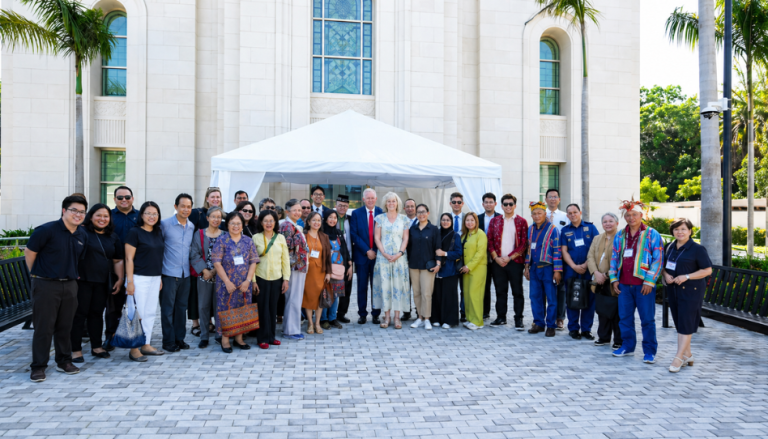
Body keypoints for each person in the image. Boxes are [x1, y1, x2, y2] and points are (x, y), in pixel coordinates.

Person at [25, 195, 89, 382]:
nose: (78, 215)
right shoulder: (46, 230)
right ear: (64, 211)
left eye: (82, 212)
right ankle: (38, 366)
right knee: (44, 327)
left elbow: (79, 259)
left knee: (65, 326)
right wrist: (36, 274)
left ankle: (64, 361)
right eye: (74, 210)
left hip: (69, 285)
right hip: (46, 285)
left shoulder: (81, 234)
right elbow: (30, 252)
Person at [609, 197, 663, 364]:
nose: (630, 218)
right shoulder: (620, 235)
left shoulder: (652, 234)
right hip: (624, 285)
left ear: (641, 215)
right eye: (627, 215)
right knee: (625, 318)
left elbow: (658, 259)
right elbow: (614, 257)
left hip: (643, 286)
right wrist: (613, 278)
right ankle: (628, 346)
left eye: (634, 214)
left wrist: (649, 281)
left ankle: (649, 351)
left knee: (647, 319)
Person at [70, 204, 124, 363]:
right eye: (98, 215)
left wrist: (120, 279)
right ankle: (75, 349)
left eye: (106, 216)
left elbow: (117, 260)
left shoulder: (112, 236)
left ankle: (96, 346)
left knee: (96, 314)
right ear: (91, 216)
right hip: (82, 281)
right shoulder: (81, 232)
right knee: (79, 315)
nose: (102, 219)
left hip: (102, 281)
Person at [662, 218, 712, 373]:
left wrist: (687, 276)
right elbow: (663, 265)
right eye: (676, 229)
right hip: (673, 289)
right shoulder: (670, 247)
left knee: (686, 322)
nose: (680, 232)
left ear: (690, 231)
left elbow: (707, 270)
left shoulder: (697, 249)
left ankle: (678, 357)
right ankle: (688, 355)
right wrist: (665, 275)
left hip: (692, 290)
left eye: (683, 229)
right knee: (679, 321)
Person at [212, 211, 259, 353]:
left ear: (242, 225)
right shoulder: (222, 240)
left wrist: (248, 281)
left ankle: (239, 338)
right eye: (232, 223)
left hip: (244, 283)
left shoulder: (248, 241)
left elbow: (253, 262)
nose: (236, 226)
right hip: (226, 284)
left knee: (242, 308)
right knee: (226, 309)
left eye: (238, 223)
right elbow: (216, 262)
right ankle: (225, 340)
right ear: (227, 225)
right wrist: (227, 281)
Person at [124, 201, 166, 362]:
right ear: (141, 215)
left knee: (149, 312)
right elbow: (129, 258)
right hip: (139, 278)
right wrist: (130, 281)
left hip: (155, 278)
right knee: (137, 313)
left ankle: (146, 344)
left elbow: (157, 257)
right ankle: (134, 348)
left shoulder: (158, 232)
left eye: (155, 214)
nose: (152, 216)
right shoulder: (134, 232)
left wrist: (159, 277)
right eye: (148, 213)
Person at [104, 186, 139, 352]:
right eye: (120, 198)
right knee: (113, 305)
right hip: (114, 268)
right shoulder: (108, 217)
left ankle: (135, 337)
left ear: (133, 198)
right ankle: (110, 336)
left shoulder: (141, 216)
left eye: (127, 197)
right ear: (114, 199)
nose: (123, 200)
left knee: (136, 304)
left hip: (138, 268)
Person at [487, 194, 528, 330]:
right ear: (502, 206)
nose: (508, 206)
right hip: (498, 262)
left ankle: (518, 319)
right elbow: (490, 241)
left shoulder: (522, 222)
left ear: (515, 206)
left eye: (511, 204)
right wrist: (496, 258)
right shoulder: (495, 221)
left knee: (517, 291)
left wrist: (509, 257)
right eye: (505, 204)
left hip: (515, 262)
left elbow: (523, 244)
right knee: (500, 291)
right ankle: (501, 317)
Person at [159, 193, 195, 353]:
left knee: (181, 308)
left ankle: (179, 339)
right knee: (167, 310)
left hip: (185, 275)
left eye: (189, 206)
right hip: (168, 274)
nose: (186, 209)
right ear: (176, 207)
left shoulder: (191, 226)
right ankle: (168, 341)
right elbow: (157, 248)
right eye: (183, 206)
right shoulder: (164, 224)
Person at [187, 187, 224, 335]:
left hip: (219, 271)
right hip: (201, 267)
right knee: (200, 300)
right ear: (207, 198)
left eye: (218, 197)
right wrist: (204, 270)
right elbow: (194, 248)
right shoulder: (198, 213)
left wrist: (215, 270)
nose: (215, 199)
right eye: (212, 196)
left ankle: (216, 327)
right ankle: (199, 327)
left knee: (217, 302)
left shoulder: (223, 219)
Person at [561, 204, 600, 340]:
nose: (573, 215)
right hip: (571, 271)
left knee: (589, 299)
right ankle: (573, 329)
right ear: (567, 215)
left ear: (580, 212)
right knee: (573, 299)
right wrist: (573, 266)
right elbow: (564, 251)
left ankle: (586, 329)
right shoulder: (565, 230)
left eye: (575, 212)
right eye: (570, 213)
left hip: (588, 270)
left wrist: (585, 264)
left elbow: (596, 248)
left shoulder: (591, 228)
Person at [372, 192, 411, 329]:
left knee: (398, 287)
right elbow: (377, 238)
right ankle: (387, 317)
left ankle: (397, 317)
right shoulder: (380, 218)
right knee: (385, 287)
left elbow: (405, 238)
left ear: (397, 203)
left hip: (399, 259)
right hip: (384, 259)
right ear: (385, 203)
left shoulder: (404, 219)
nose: (391, 203)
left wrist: (400, 253)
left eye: (393, 201)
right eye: (388, 201)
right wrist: (384, 253)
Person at [252, 210, 290, 349]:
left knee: (273, 308)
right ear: (261, 222)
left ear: (275, 222)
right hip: (261, 278)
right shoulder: (255, 238)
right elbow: (252, 262)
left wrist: (286, 279)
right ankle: (262, 338)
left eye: (271, 221)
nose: (269, 223)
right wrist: (253, 280)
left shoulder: (280, 238)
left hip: (277, 278)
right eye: (265, 221)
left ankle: (271, 337)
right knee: (262, 309)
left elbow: (285, 260)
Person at [524, 201, 562, 337]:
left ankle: (551, 325)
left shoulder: (553, 229)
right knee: (535, 297)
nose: (537, 216)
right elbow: (528, 249)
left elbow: (557, 251)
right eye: (534, 213)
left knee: (551, 298)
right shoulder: (531, 229)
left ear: (545, 214)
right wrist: (526, 266)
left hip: (548, 269)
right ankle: (539, 323)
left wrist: (557, 271)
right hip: (534, 268)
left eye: (539, 213)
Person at [587, 212, 622, 349]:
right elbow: (590, 257)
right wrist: (596, 273)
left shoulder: (621, 238)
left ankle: (618, 340)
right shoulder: (597, 238)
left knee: (616, 312)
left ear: (617, 223)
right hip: (598, 280)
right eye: (605, 221)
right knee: (602, 310)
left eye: (610, 221)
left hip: (614, 280)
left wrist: (606, 275)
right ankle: (603, 337)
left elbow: (622, 259)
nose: (607, 223)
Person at [350, 188, 383, 324]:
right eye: (367, 198)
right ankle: (362, 314)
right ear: (363, 199)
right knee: (362, 286)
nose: (370, 200)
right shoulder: (356, 213)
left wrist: (375, 251)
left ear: (376, 199)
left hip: (378, 256)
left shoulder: (381, 213)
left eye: (372, 198)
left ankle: (376, 314)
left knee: (376, 286)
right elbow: (354, 234)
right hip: (362, 256)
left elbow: (384, 234)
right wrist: (367, 251)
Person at [406, 204, 440, 330]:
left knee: (426, 293)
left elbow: (438, 247)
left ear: (428, 213)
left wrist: (438, 263)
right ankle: (419, 317)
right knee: (416, 293)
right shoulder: (412, 229)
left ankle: (427, 318)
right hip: (414, 265)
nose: (421, 214)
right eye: (419, 212)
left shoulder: (434, 229)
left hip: (428, 266)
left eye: (423, 212)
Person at [280, 199, 309, 340]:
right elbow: (286, 249)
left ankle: (292, 328)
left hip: (299, 267)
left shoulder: (295, 225)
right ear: (287, 211)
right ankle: (290, 330)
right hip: (293, 267)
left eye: (299, 210)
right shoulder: (286, 226)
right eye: (295, 210)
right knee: (293, 298)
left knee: (296, 298)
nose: (298, 212)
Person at [319, 211, 351, 330]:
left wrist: (349, 262)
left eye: (335, 218)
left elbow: (345, 248)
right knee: (325, 294)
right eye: (330, 218)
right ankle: (324, 319)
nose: (333, 220)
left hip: (338, 268)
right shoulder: (321, 233)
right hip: (326, 268)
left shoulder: (338, 233)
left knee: (336, 294)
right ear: (325, 219)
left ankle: (333, 318)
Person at [302, 212, 332, 334]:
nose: (316, 223)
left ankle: (318, 323)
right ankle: (310, 323)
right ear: (308, 221)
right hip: (308, 272)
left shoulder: (324, 236)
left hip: (321, 271)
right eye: (314, 220)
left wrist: (328, 273)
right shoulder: (303, 236)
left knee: (320, 298)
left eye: (319, 220)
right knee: (309, 297)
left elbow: (328, 256)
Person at [432, 213, 463, 328]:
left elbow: (459, 253)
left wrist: (444, 253)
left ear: (451, 222)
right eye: (443, 220)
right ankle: (436, 318)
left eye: (447, 220)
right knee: (437, 295)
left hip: (450, 270)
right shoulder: (436, 234)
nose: (445, 222)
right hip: (436, 269)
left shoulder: (456, 235)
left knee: (449, 296)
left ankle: (449, 320)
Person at [544, 188, 569, 330]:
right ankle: (541, 318)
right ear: (546, 199)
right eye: (550, 197)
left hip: (560, 256)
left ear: (559, 199)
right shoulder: (541, 215)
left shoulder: (565, 216)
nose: (553, 199)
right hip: (545, 257)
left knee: (561, 289)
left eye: (555, 197)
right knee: (545, 289)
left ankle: (560, 318)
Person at [459, 212, 487, 330]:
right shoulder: (465, 235)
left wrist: (469, 266)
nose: (469, 222)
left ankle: (478, 321)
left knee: (476, 294)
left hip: (477, 268)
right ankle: (470, 319)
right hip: (465, 269)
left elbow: (480, 253)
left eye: (472, 220)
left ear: (476, 222)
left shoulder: (480, 234)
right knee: (468, 294)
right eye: (467, 220)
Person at [478, 192, 501, 320]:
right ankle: (485, 311)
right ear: (483, 204)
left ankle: (500, 314)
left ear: (495, 204)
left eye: (491, 202)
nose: (488, 204)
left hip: (497, 256)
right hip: (482, 257)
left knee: (499, 285)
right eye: (486, 202)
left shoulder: (501, 218)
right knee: (484, 285)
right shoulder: (477, 218)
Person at [334, 195, 353, 323]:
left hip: (349, 257)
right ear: (336, 205)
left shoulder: (351, 219)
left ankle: (341, 313)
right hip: (334, 259)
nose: (342, 208)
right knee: (333, 285)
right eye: (340, 205)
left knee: (347, 286)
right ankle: (330, 313)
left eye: (345, 206)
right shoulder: (330, 218)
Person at [402, 198, 418, 321]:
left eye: (412, 206)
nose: (410, 209)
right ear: (404, 209)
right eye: (407, 206)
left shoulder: (422, 221)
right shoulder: (401, 221)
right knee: (405, 287)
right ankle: (406, 311)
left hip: (417, 259)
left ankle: (419, 311)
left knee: (418, 287)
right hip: (403, 259)